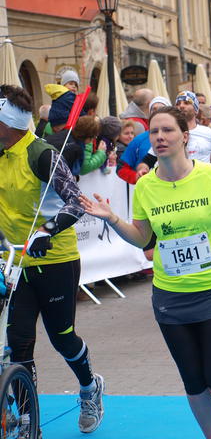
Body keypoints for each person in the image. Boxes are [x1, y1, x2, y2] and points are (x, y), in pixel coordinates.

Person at [79, 106, 211, 439]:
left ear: (184, 137)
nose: (159, 137)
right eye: (154, 131)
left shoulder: (210, 175)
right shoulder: (145, 186)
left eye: (167, 130)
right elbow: (142, 238)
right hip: (171, 296)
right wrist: (112, 219)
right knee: (194, 380)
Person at [0, 85, 105, 434]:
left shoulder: (42, 155)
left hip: (55, 259)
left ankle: (89, 388)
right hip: (15, 264)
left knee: (62, 338)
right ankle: (28, 420)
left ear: (7, 123)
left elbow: (76, 201)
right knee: (18, 345)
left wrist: (47, 230)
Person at [139, 91, 211, 190]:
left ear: (196, 109)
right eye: (178, 104)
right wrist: (143, 169)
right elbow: (147, 161)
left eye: (186, 103)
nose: (181, 106)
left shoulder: (209, 134)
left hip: (204, 189)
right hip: (176, 190)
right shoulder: (168, 135)